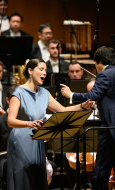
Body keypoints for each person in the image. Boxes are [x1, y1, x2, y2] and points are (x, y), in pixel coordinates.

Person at [7, 59, 94, 190]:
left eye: (45, 70)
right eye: (41, 69)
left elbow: (62, 110)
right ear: (30, 71)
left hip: (38, 140)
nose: (44, 73)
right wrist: (28, 123)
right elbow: (11, 121)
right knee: (24, 180)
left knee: (37, 180)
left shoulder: (44, 93)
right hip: (21, 141)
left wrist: (82, 106)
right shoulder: (18, 93)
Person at [61, 46, 115, 190]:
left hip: (110, 129)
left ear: (98, 62)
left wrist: (71, 94)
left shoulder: (105, 74)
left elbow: (92, 95)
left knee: (101, 173)